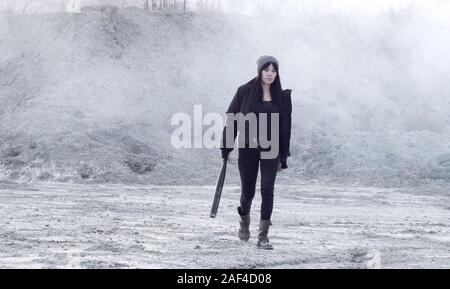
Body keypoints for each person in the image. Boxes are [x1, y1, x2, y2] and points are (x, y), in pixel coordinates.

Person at [220, 55, 292, 250]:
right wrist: (226, 147)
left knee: (267, 189)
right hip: (247, 146)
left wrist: (283, 157)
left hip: (272, 148)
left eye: (274, 70)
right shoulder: (245, 91)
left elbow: (285, 128)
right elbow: (232, 119)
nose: (270, 73)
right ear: (260, 70)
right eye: (266, 69)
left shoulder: (281, 97)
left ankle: (263, 237)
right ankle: (244, 220)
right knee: (248, 192)